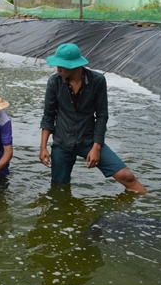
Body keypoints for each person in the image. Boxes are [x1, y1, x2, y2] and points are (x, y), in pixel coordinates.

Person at [39, 43, 147, 194]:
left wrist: (96, 148)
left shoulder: (97, 81)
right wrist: (43, 147)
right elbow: (49, 115)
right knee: (59, 188)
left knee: (126, 176)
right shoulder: (54, 82)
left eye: (62, 66)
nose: (58, 69)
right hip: (62, 142)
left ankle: (150, 206)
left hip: (88, 140)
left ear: (74, 66)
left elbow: (102, 115)